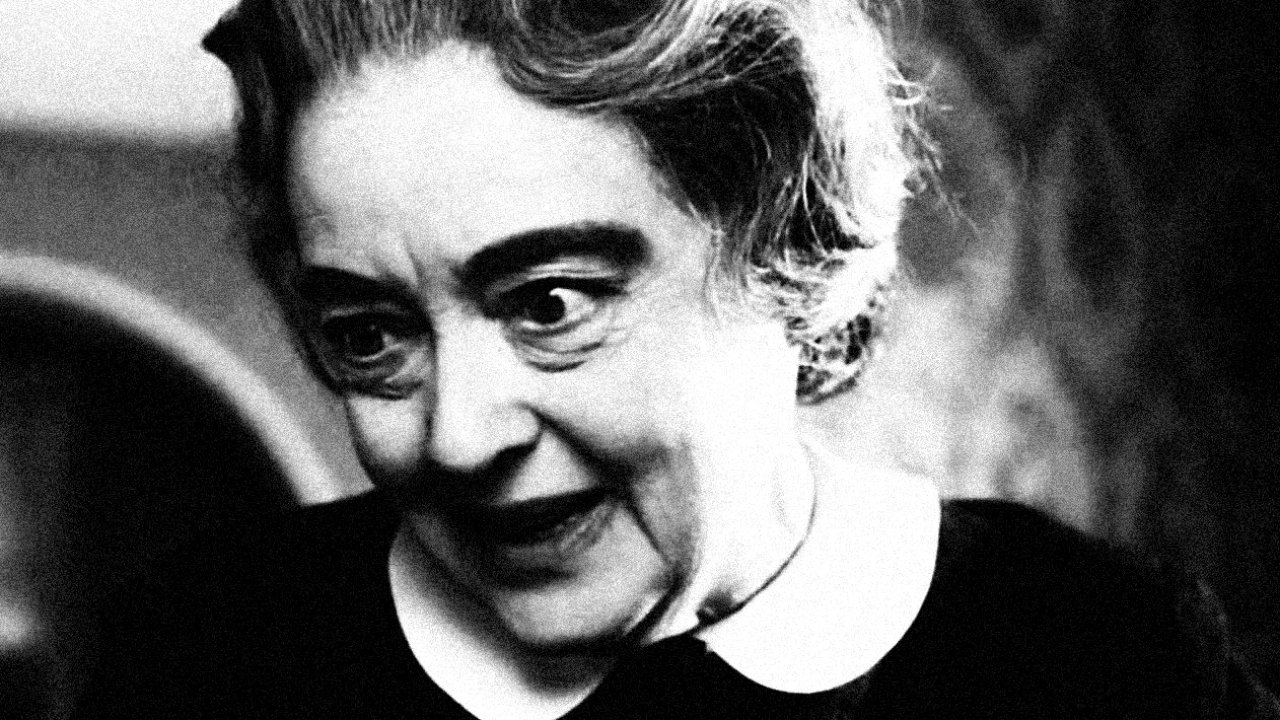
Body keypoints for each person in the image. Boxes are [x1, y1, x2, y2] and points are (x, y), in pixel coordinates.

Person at [74, 0, 1279, 718]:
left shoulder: (1099, 659)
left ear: (784, 259)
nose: (454, 436)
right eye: (369, 334)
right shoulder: (203, 663)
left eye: (548, 302)